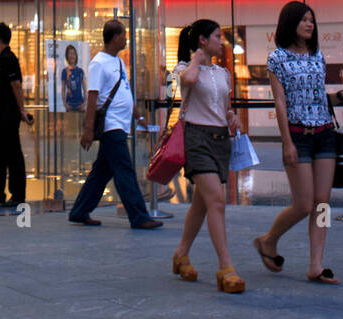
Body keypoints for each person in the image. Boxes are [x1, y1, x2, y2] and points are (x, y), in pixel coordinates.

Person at [254, 1, 343, 284]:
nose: (310, 24)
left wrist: (341, 94)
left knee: (322, 203)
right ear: (290, 24)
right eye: (303, 20)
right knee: (303, 204)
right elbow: (281, 102)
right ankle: (268, 240)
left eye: (312, 20)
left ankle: (316, 264)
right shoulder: (277, 59)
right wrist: (286, 141)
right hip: (297, 136)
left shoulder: (318, 57)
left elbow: (317, 98)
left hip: (325, 133)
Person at [171, 19, 244, 293]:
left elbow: (224, 106)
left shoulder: (223, 73)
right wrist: (197, 59)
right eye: (216, 36)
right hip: (196, 139)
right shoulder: (184, 68)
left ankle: (181, 253)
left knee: (202, 204)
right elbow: (188, 81)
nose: (221, 41)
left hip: (220, 140)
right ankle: (226, 266)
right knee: (217, 200)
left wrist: (232, 116)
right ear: (202, 40)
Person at [68, 19, 163, 230]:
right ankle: (139, 216)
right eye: (124, 35)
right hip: (111, 126)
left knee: (102, 172)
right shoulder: (98, 63)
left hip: (121, 123)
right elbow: (92, 98)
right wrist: (88, 130)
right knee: (125, 170)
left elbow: (124, 92)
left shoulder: (118, 62)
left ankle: (79, 211)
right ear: (114, 37)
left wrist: (138, 116)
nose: (126, 38)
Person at [0, 23, 33, 207]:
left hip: (8, 113)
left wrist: (22, 110)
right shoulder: (2, 58)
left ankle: (18, 195)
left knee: (12, 153)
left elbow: (16, 85)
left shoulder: (9, 58)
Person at [61, 44, 85, 112]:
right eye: (70, 54)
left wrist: (84, 103)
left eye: (73, 54)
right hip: (69, 105)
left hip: (80, 105)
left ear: (76, 55)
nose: (72, 56)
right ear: (67, 56)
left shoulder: (80, 71)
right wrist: (65, 104)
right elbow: (63, 89)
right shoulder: (64, 71)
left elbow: (85, 89)